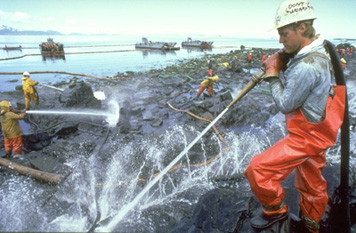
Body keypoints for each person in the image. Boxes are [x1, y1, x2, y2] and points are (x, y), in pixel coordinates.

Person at [243, 0, 346, 232]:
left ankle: (275, 212)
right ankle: (312, 224)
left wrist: (272, 74)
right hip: (321, 128)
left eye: (284, 34)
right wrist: (285, 56)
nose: (280, 40)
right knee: (311, 182)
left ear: (302, 27)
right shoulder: (316, 51)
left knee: (257, 169)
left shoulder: (308, 65)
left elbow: (285, 104)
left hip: (307, 136)